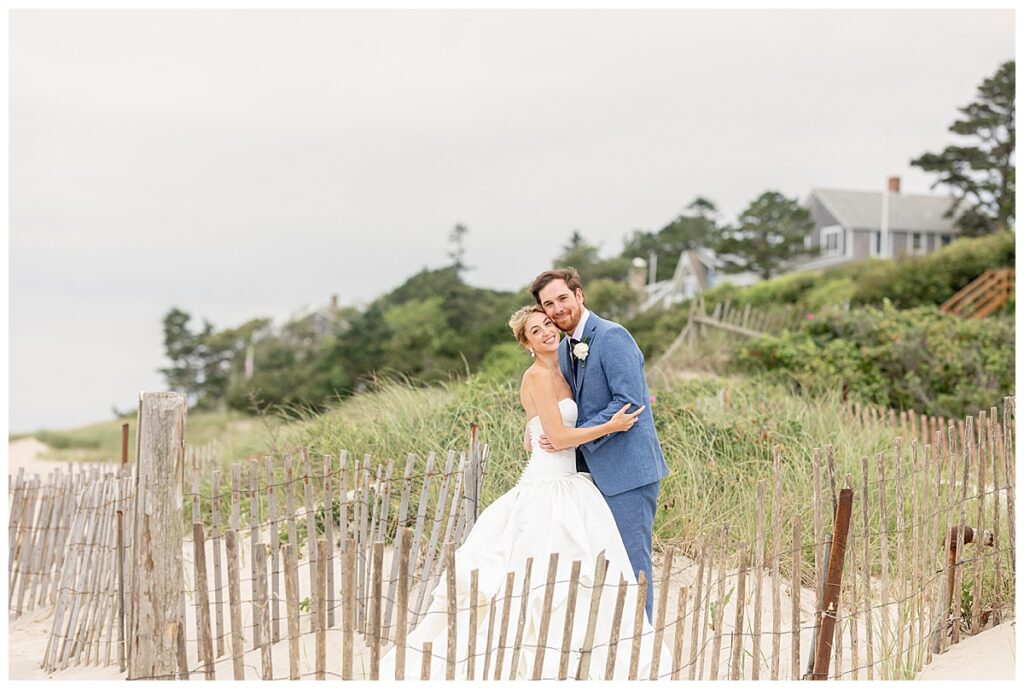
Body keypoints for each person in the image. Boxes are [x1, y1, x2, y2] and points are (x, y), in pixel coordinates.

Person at [378, 305, 670, 680]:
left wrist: (534, 429)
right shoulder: (536, 376)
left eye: (548, 324)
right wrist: (610, 425)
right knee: (541, 573)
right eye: (536, 330)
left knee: (589, 567)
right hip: (548, 485)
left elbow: (534, 433)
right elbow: (561, 436)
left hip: (570, 480)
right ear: (527, 343)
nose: (547, 331)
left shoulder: (563, 368)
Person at [530, 267, 670, 621]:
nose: (557, 308)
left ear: (579, 295)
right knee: (601, 561)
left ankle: (643, 640)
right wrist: (537, 427)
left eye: (563, 298)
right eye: (549, 304)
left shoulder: (613, 336)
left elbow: (629, 401)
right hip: (587, 478)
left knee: (632, 561)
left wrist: (572, 439)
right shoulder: (563, 350)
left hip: (626, 472)